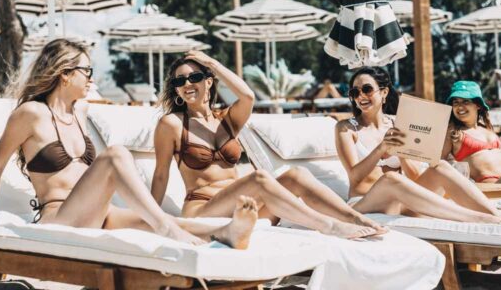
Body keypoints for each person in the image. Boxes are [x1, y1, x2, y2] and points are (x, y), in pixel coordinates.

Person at [0, 39, 258, 250]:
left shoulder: (79, 112)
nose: (92, 78)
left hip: (97, 212)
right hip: (59, 216)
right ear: (65, 73)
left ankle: (226, 232)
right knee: (116, 156)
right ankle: (165, 228)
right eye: (87, 71)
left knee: (165, 221)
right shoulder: (30, 114)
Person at [151, 51, 386, 239]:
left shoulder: (226, 119)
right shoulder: (172, 123)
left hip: (245, 209)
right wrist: (151, 217)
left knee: (297, 175)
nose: (187, 84)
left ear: (209, 81)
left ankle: (356, 218)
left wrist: (212, 62)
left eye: (194, 77)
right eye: (179, 81)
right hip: (204, 210)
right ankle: (329, 226)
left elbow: (248, 96)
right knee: (260, 178)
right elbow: (161, 174)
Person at [334, 67, 501, 223]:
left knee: (441, 166)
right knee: (391, 178)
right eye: (354, 92)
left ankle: (498, 217)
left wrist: (401, 152)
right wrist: (381, 149)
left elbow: (415, 177)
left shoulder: (399, 122)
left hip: (402, 203)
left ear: (384, 92)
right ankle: (474, 218)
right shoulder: (346, 129)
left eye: (367, 89)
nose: (361, 96)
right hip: (365, 202)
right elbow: (355, 177)